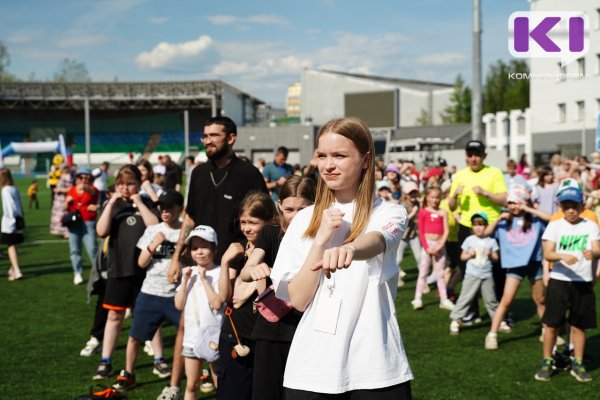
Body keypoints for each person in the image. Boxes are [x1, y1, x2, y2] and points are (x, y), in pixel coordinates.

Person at [270, 117, 413, 399]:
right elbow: (297, 300)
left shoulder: (389, 211)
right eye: (322, 155)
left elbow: (378, 240)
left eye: (339, 155)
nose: (328, 165)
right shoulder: (304, 220)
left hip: (376, 366)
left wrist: (350, 249)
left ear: (365, 160)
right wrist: (321, 240)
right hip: (312, 369)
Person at [159, 116, 267, 400]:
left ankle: (229, 385)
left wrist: (248, 259)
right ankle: (178, 384)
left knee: (229, 331)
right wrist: (176, 257)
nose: (207, 140)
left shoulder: (248, 174)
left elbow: (262, 219)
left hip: (233, 270)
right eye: (205, 136)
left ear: (231, 138)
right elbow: (190, 216)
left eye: (214, 135)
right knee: (188, 325)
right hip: (199, 264)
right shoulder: (197, 173)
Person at [238, 176, 316, 400]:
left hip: (309, 328)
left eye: (303, 208)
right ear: (279, 205)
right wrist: (254, 269)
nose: (295, 215)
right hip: (273, 330)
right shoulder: (272, 234)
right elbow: (247, 269)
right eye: (289, 209)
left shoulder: (323, 238)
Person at [111, 191, 185, 394]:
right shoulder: (153, 230)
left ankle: (200, 372)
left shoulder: (187, 231)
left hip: (176, 296)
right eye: (162, 207)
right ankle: (128, 373)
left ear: (180, 208)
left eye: (169, 207)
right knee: (135, 336)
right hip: (150, 293)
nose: (165, 211)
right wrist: (154, 244)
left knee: (191, 336)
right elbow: (141, 263)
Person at [93, 164, 159, 380]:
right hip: (119, 270)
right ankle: (106, 361)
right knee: (114, 315)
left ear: (139, 184)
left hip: (145, 271)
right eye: (122, 183)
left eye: (130, 183)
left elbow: (155, 227)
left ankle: (159, 359)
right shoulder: (112, 206)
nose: (125, 187)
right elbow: (101, 231)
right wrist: (111, 202)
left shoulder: (146, 203)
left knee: (151, 316)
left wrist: (138, 201)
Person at [535, 186, 600, 382]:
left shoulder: (590, 226)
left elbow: (597, 249)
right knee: (552, 324)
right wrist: (561, 256)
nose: (571, 210)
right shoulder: (555, 226)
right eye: (566, 206)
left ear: (582, 205)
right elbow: (547, 253)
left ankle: (577, 363)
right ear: (560, 207)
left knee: (579, 326)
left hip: (582, 282)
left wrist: (594, 253)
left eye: (574, 206)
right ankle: (548, 360)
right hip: (559, 281)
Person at [217, 191, 277, 400]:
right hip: (235, 334)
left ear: (270, 221)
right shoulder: (238, 250)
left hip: (264, 338)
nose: (246, 228)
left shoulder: (277, 250)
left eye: (253, 222)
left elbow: (266, 299)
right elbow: (227, 297)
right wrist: (225, 262)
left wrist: (251, 282)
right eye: (243, 222)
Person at [482, 185, 551, 350]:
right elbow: (485, 233)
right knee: (506, 300)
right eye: (510, 203)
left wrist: (529, 209)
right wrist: (498, 219)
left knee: (540, 300)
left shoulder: (534, 220)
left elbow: (552, 219)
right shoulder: (504, 220)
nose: (512, 206)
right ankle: (492, 334)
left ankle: (547, 331)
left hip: (534, 263)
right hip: (514, 266)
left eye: (515, 202)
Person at [449, 140, 507, 312]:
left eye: (477, 155)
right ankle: (471, 310)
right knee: (467, 269)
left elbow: (504, 199)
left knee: (497, 270)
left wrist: (485, 193)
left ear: (484, 156)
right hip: (468, 227)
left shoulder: (494, 172)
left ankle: (500, 312)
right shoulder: (460, 175)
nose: (474, 158)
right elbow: (452, 206)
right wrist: (454, 196)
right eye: (470, 154)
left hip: (492, 227)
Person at [176, 225, 224, 399]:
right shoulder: (188, 273)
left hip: (214, 337)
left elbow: (217, 303)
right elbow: (179, 305)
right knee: (191, 384)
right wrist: (185, 281)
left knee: (221, 383)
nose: (200, 252)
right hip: (191, 338)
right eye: (195, 248)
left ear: (214, 248)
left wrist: (204, 280)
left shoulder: (219, 273)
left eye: (204, 247)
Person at [449, 212, 501, 335]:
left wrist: (490, 254)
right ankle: (456, 320)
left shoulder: (491, 241)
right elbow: (462, 257)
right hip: (472, 275)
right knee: (465, 297)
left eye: (481, 224)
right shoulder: (469, 240)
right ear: (472, 226)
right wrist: (469, 255)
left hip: (487, 275)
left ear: (486, 226)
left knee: (491, 300)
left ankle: (498, 321)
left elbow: (496, 259)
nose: (478, 227)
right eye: (475, 224)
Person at [412, 186, 454, 311]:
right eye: (432, 197)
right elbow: (421, 231)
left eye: (437, 197)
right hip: (427, 246)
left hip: (439, 246)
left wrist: (440, 245)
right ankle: (418, 298)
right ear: (427, 197)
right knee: (423, 272)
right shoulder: (423, 212)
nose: (435, 200)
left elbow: (446, 230)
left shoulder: (443, 212)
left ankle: (444, 299)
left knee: (440, 273)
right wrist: (427, 247)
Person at [65, 168, 99, 285]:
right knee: (74, 249)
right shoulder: (71, 190)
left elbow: (93, 193)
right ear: (77, 177)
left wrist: (83, 187)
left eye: (86, 177)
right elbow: (66, 207)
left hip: (88, 221)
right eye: (81, 177)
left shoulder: (93, 189)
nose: (83, 179)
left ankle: (97, 273)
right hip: (74, 222)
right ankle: (77, 272)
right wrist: (67, 202)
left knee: (93, 249)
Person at [0, 168, 24, 281]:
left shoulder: (5, 190)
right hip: (18, 219)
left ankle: (16, 270)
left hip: (10, 221)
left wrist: (11, 220)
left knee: (10, 245)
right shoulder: (15, 188)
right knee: (13, 245)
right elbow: (20, 204)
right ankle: (13, 269)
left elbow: (10, 207)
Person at [397, 181, 420, 289]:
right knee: (398, 260)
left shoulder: (417, 203)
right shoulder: (402, 205)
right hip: (402, 236)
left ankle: (422, 282)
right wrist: (413, 213)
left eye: (415, 192)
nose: (414, 195)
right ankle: (397, 279)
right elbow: (402, 220)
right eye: (411, 193)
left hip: (413, 235)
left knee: (420, 258)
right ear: (406, 194)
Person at [50, 164, 72, 238]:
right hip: (59, 199)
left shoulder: (67, 176)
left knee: (63, 215)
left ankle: (67, 232)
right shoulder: (63, 175)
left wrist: (58, 190)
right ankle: (62, 231)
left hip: (63, 199)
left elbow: (69, 188)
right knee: (59, 215)